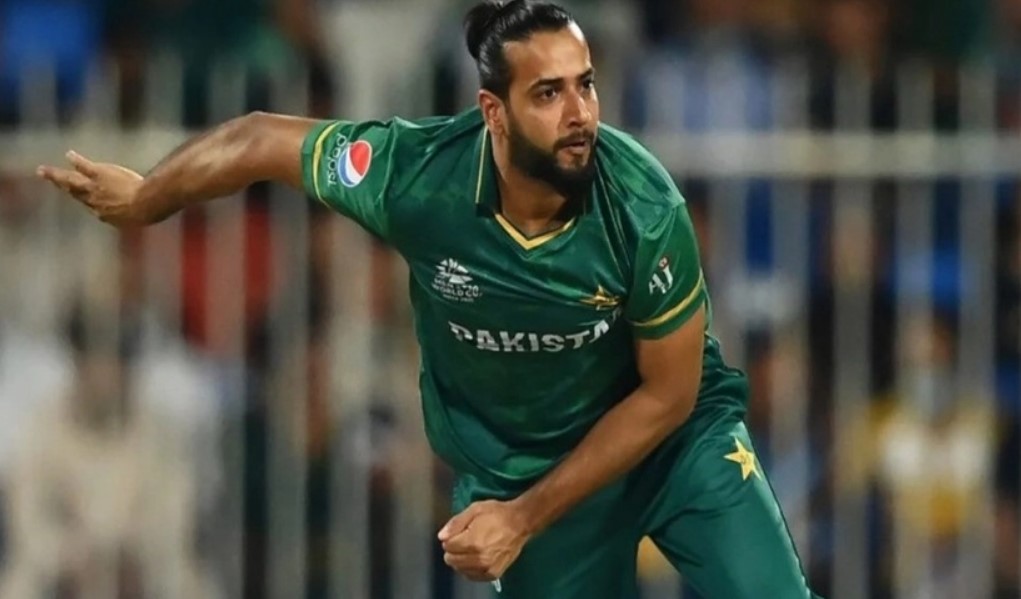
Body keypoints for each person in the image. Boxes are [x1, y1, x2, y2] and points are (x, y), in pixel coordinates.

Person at [36, 1, 820, 596]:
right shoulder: (416, 176)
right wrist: (149, 199)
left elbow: (669, 394)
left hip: (673, 446)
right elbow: (260, 138)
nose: (579, 114)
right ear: (493, 112)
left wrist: (521, 516)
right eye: (548, 93)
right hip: (528, 460)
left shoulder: (643, 205)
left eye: (585, 85)